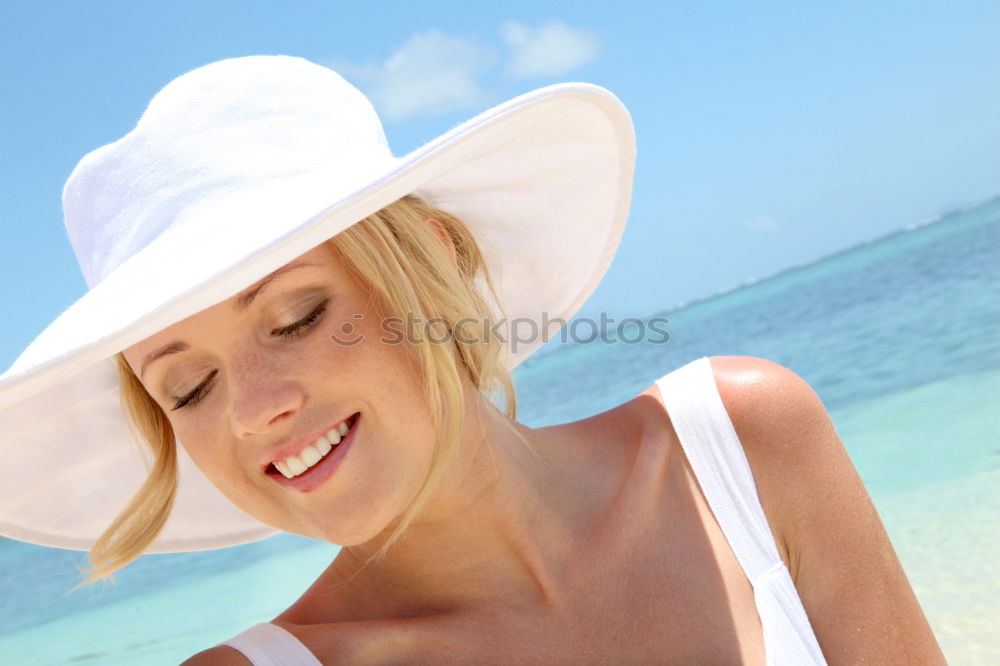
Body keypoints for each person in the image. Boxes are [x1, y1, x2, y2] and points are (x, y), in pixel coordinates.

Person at [0, 56, 945, 665]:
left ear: (439, 262)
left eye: (295, 316)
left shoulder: (741, 445)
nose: (250, 410)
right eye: (188, 387)